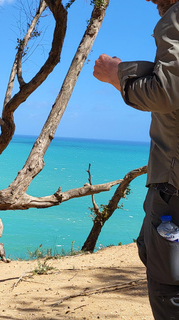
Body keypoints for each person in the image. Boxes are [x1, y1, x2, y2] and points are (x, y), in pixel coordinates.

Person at [93, 0, 179, 318]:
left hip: (174, 190)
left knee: (169, 292)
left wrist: (119, 75)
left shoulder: (176, 16)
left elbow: (166, 92)